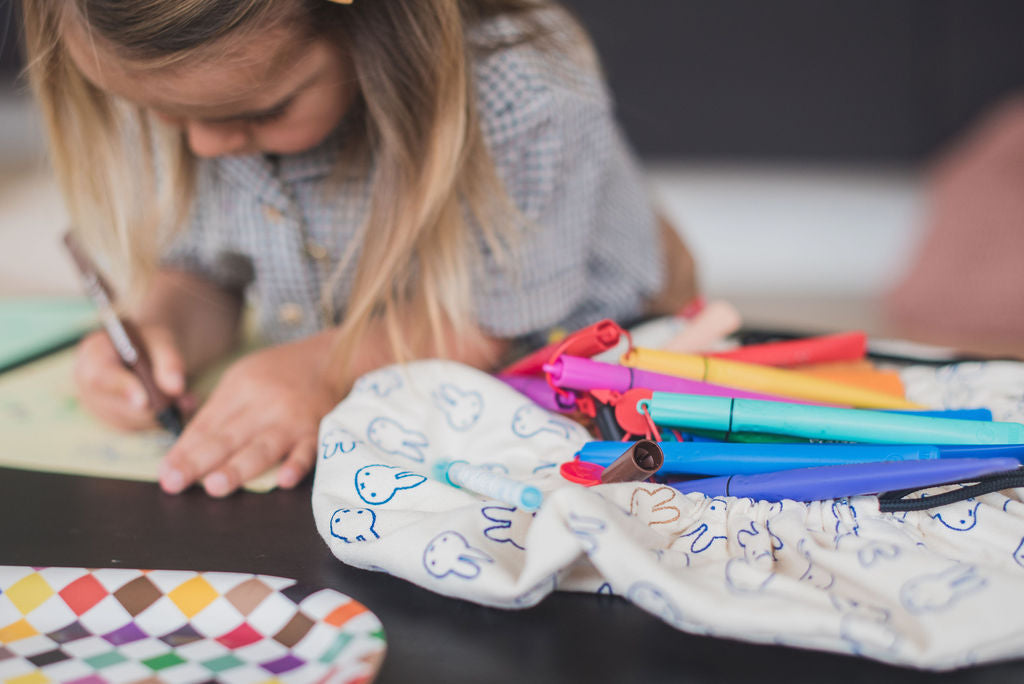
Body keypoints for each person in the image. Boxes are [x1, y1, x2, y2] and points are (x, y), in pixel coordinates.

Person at [22, 0, 696, 497]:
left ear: (374, 26)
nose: (204, 147)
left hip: (590, 374)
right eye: (166, 117)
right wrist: (163, 331)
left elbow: (504, 323)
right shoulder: (189, 82)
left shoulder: (526, 89)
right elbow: (208, 274)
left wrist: (321, 370)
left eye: (257, 114)